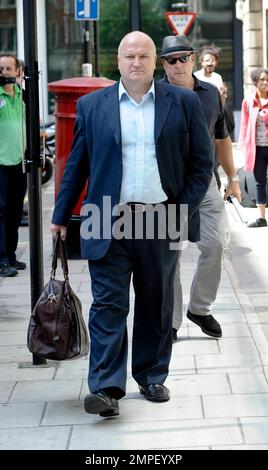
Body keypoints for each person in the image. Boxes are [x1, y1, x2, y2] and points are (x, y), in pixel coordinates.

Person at [50, 31, 213, 417]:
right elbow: (78, 165)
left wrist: (182, 209)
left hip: (161, 214)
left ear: (155, 61)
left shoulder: (184, 103)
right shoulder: (93, 106)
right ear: (118, 61)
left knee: (156, 303)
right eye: (129, 56)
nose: (136, 62)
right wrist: (59, 216)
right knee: (108, 303)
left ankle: (151, 375)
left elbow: (201, 164)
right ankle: (106, 388)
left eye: (143, 56)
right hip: (106, 215)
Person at [160, 34, 241, 341]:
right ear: (163, 64)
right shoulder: (154, 94)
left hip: (204, 181)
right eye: (170, 60)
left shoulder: (210, 94)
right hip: (166, 186)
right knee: (170, 254)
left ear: (193, 58)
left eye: (183, 58)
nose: (178, 65)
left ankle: (200, 308)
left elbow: (221, 138)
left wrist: (233, 179)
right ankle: (172, 321)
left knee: (217, 243)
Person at [0, 53, 27, 277]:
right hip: (0, 163)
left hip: (19, 162)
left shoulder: (22, 95)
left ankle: (10, 255)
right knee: (0, 212)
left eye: (9, 68)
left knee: (15, 212)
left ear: (18, 71)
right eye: (1, 69)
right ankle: (1, 260)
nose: (5, 73)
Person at [239, 68, 268, 227]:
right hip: (257, 148)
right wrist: (244, 147)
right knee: (259, 182)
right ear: (256, 81)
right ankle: (262, 218)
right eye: (261, 79)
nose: (264, 83)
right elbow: (244, 126)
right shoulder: (249, 101)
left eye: (267, 80)